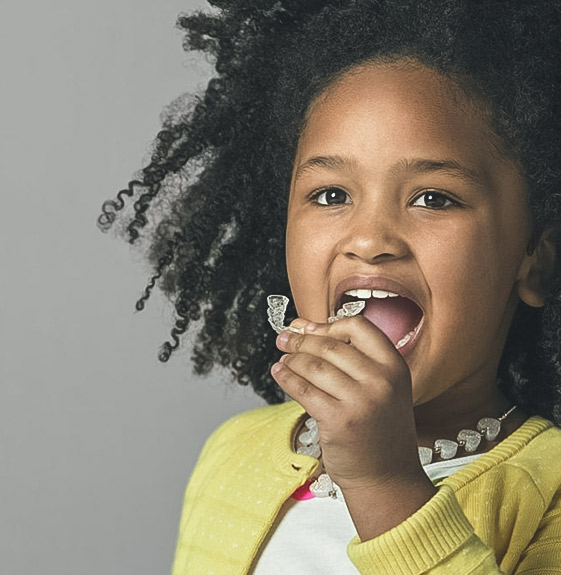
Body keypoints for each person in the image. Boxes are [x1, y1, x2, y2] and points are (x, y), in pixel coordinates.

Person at [98, 1, 561, 573]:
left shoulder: (549, 490)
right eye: (331, 195)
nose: (369, 239)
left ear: (535, 263)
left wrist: (384, 482)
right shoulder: (231, 453)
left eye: (433, 198)